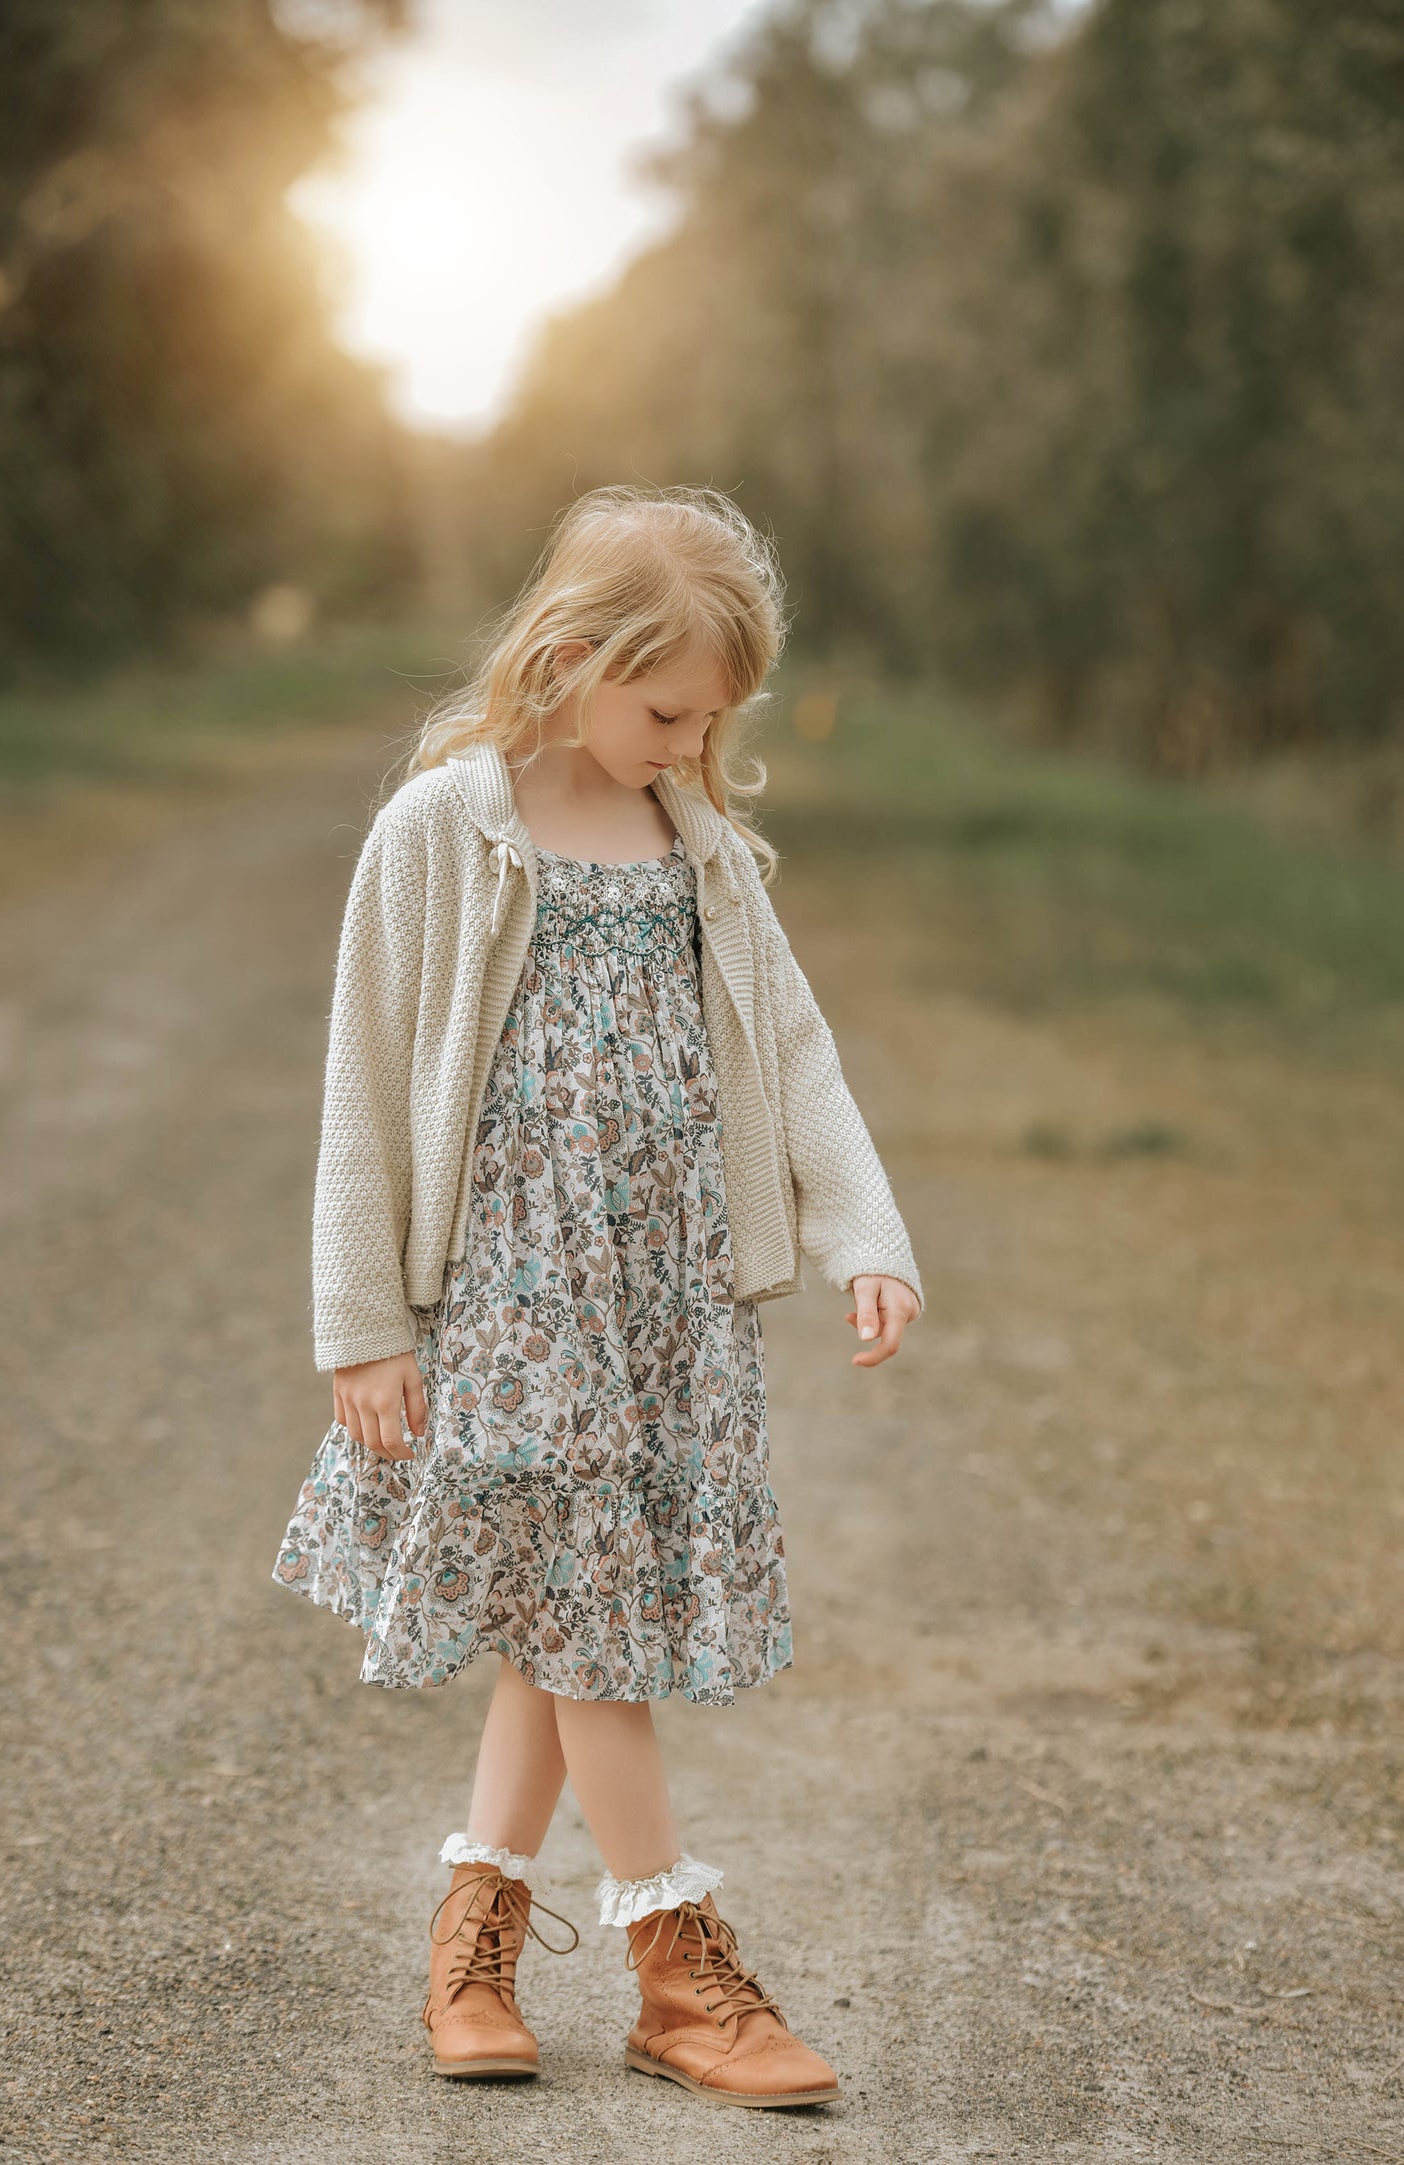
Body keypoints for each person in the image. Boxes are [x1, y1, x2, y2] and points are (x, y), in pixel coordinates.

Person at [273, 485, 921, 2110]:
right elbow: (361, 1080)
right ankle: (673, 1958)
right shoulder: (442, 828)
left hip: (662, 1300)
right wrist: (361, 1323)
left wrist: (867, 1233)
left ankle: (476, 1929)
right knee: (592, 1618)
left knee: (567, 1610)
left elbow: (792, 1053)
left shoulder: (694, 847)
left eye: (710, 719)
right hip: (511, 1296)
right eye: (666, 709)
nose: (689, 741)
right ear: (568, 658)